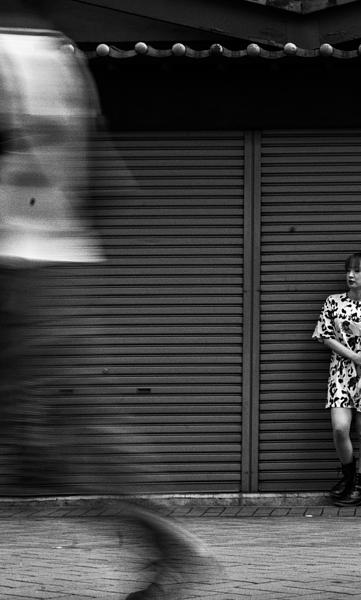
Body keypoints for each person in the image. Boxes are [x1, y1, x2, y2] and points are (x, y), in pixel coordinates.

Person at [0, 6, 219, 599]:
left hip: (20, 270)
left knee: (64, 436)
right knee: (60, 435)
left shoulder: (8, 57)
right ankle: (165, 543)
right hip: (50, 262)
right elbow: (111, 183)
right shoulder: (53, 52)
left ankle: (167, 543)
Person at [313, 252, 361, 507]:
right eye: (348, 270)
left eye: (357, 271)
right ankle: (347, 477)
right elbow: (325, 335)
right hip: (340, 371)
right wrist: (353, 357)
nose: (350, 275)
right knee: (339, 427)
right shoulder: (333, 302)